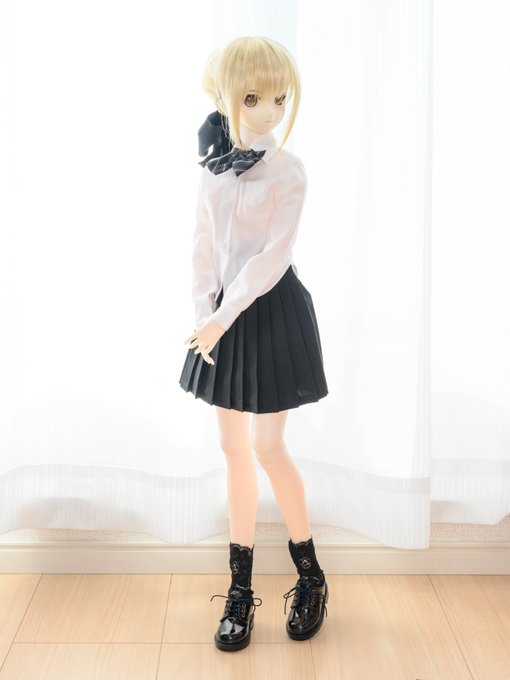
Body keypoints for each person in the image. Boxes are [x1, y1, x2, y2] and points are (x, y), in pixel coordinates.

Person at [179, 35, 329, 652]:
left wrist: (221, 316)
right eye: (252, 98)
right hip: (220, 316)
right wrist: (203, 313)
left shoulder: (289, 171)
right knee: (232, 447)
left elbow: (272, 259)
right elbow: (202, 244)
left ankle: (310, 575)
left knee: (268, 446)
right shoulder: (212, 168)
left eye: (279, 98)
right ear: (224, 97)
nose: (269, 111)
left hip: (269, 312)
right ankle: (239, 588)